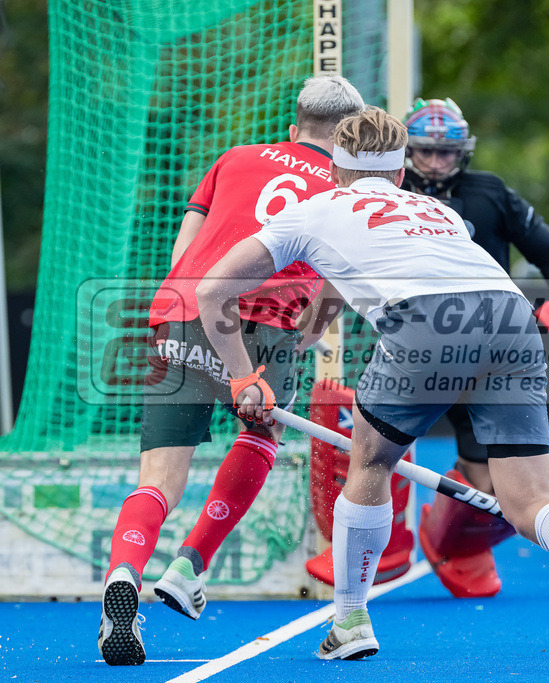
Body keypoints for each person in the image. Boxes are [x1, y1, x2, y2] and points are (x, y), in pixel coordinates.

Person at [195, 106, 549, 670]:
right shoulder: (431, 208)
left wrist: (245, 375)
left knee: (369, 460)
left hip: (426, 323)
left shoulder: (312, 209)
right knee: (528, 501)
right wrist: (307, 333)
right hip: (511, 318)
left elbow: (211, 291)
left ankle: (348, 621)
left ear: (335, 168)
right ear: (398, 174)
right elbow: (351, 282)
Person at [96, 75, 365, 666]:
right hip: (267, 325)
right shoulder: (348, 188)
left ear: (294, 129)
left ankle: (124, 573)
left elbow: (183, 249)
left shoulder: (235, 158)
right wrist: (311, 331)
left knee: (159, 481)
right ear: (347, 138)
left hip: (183, 313)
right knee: (261, 435)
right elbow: (339, 283)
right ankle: (191, 563)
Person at [401, 96, 549, 598]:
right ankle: (384, 539)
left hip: (486, 345)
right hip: (408, 344)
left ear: (464, 151)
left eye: (448, 152)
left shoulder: (491, 192)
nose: (437, 162)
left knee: (490, 485)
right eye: (425, 151)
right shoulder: (384, 195)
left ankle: (445, 537)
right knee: (374, 448)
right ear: (405, 150)